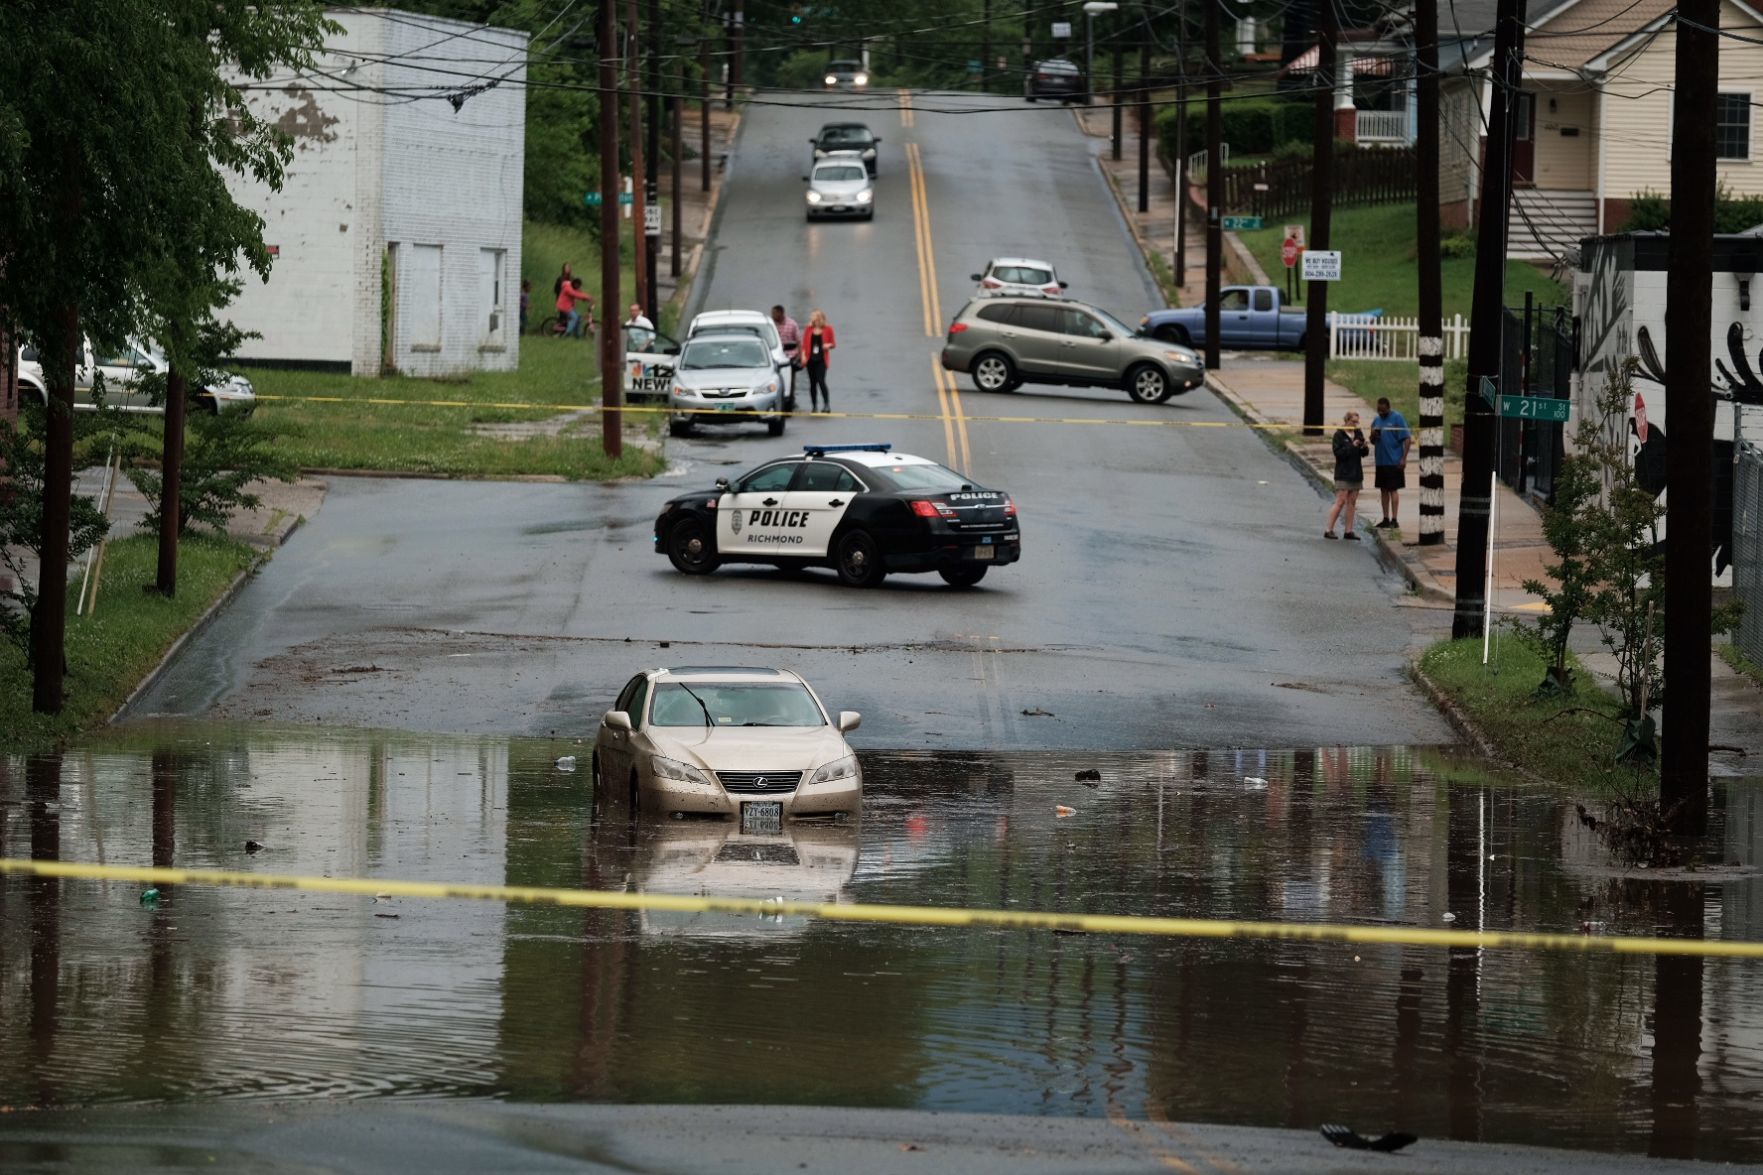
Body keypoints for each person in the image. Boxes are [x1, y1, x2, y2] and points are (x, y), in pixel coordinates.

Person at [1325, 409, 1369, 540]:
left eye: (1357, 422)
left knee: (1352, 501)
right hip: (1343, 472)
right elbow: (1338, 454)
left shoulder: (1358, 433)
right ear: (1347, 420)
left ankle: (1348, 531)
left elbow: (1364, 454)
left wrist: (1364, 447)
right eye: (1353, 421)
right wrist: (1352, 445)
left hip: (1356, 472)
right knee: (1340, 501)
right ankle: (1329, 529)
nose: (1355, 424)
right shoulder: (1338, 435)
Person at [1370, 396, 1412, 529]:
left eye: (1383, 410)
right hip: (1381, 461)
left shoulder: (1397, 418)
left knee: (1393, 489)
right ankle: (1385, 518)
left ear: (1388, 407)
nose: (1381, 413)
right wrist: (1373, 436)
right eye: (1379, 410)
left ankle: (1394, 519)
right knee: (1383, 490)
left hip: (1394, 460)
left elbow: (1407, 439)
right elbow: (1372, 440)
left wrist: (1403, 458)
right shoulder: (1376, 420)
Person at [802, 309, 836, 413]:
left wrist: (828, 345)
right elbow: (804, 344)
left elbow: (833, 344)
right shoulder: (808, 329)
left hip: (821, 359)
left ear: (818, 318)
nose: (810, 318)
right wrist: (803, 356)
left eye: (812, 316)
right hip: (810, 359)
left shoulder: (828, 329)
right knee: (812, 383)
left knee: (821, 381)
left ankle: (826, 404)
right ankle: (814, 405)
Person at [771, 304, 801, 403]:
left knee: (790, 380)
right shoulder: (771, 324)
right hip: (774, 357)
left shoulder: (792, 324)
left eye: (775, 313)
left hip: (790, 356)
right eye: (772, 313)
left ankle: (790, 400)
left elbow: (798, 342)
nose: (773, 315)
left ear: (781, 313)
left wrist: (799, 358)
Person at [555, 272, 592, 338]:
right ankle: (566, 334)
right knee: (574, 318)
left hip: (569, 307)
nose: (578, 286)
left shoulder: (574, 288)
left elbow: (580, 293)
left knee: (578, 318)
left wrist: (587, 299)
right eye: (577, 285)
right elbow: (575, 294)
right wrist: (587, 297)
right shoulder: (567, 288)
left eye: (579, 285)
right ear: (574, 283)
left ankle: (577, 335)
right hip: (563, 306)